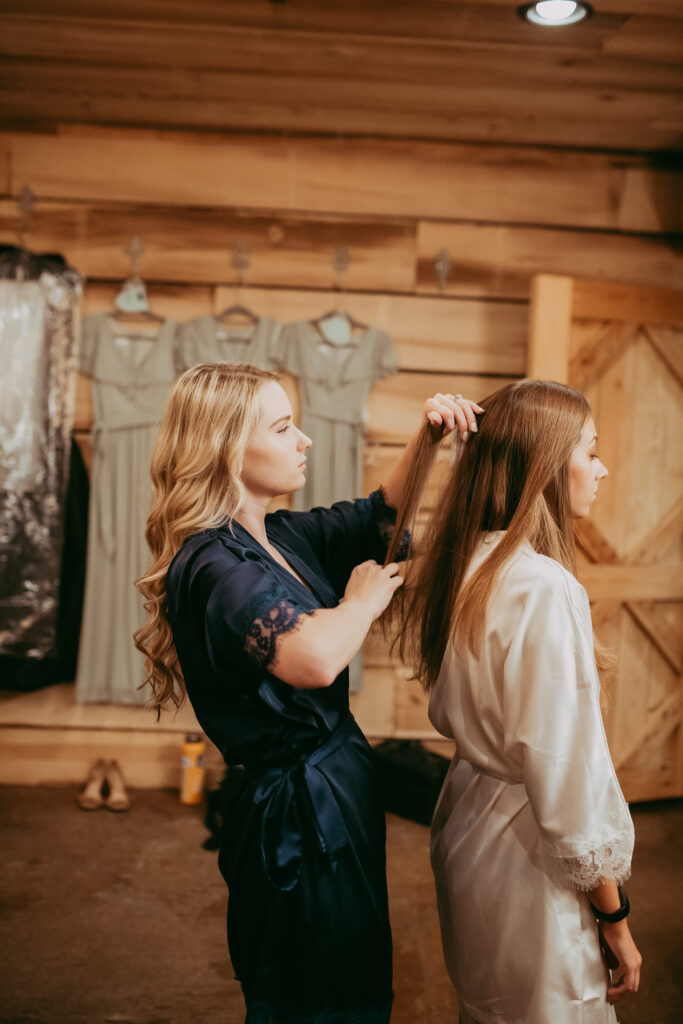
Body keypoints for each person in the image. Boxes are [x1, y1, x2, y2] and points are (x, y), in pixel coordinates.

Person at [134, 362, 481, 1024]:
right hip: (293, 813)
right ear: (227, 448)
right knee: (311, 992)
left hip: (332, 783)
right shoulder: (212, 564)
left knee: (349, 972)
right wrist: (359, 603)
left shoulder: (282, 536)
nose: (304, 441)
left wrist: (429, 435)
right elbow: (314, 658)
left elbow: (379, 511)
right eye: (284, 427)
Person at [392, 379, 641, 1024]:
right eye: (589, 451)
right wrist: (614, 916)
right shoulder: (541, 584)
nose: (601, 467)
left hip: (468, 828)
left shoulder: (465, 562)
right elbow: (565, 776)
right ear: (547, 468)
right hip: (530, 853)